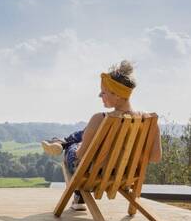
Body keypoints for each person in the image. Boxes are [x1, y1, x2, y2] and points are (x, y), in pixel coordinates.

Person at [41, 60, 162, 211]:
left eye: (103, 92)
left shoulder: (100, 119)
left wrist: (78, 147)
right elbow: (156, 158)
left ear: (116, 94)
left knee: (73, 146)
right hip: (126, 174)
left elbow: (81, 156)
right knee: (85, 134)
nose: (100, 95)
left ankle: (62, 144)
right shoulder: (150, 121)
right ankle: (62, 142)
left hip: (95, 173)